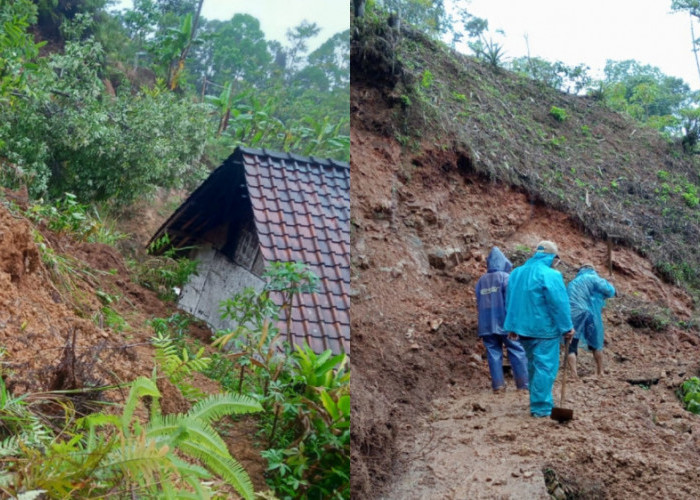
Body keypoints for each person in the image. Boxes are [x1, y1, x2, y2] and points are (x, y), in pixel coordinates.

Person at [504, 241, 574, 418]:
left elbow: (510, 300)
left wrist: (512, 325)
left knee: (533, 365)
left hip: (523, 330)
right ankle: (541, 407)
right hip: (545, 330)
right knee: (545, 367)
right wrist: (567, 327)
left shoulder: (517, 273)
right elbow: (558, 304)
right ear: (552, 257)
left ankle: (537, 401)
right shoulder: (551, 275)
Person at [475, 247, 529, 393]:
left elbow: (479, 302)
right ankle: (523, 385)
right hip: (506, 323)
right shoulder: (506, 278)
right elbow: (512, 301)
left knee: (493, 353)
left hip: (486, 324)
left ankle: (498, 386)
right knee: (516, 350)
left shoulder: (481, 281)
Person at [566, 264, 616, 379]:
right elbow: (609, 291)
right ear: (592, 270)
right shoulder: (593, 277)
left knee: (571, 343)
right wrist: (611, 283)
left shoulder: (573, 282)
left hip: (572, 312)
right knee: (596, 341)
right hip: (589, 311)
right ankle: (600, 371)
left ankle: (574, 374)